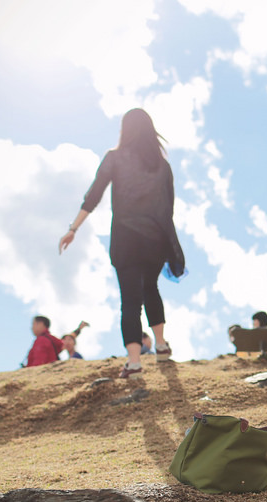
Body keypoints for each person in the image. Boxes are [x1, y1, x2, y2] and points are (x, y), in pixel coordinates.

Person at [59, 109, 184, 380]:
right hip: (156, 238)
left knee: (130, 299)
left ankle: (135, 362)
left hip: (126, 238)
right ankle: (161, 346)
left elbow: (94, 195)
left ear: (125, 130)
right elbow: (168, 208)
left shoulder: (114, 158)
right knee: (151, 287)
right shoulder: (163, 166)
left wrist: (73, 229)